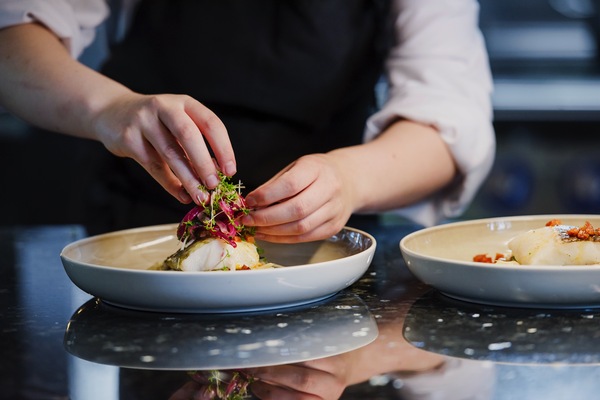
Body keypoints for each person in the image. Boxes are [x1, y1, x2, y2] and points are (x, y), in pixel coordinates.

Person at [0, 0, 495, 243]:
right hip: (139, 235)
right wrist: (110, 109)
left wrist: (349, 179)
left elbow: (448, 120)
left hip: (320, 254)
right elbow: (12, 38)